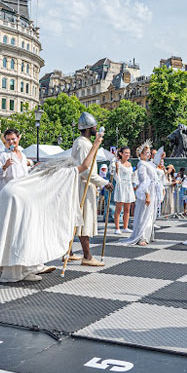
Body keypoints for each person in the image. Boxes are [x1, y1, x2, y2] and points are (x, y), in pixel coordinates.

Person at [0, 131, 106, 282]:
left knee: (16, 232)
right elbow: (85, 166)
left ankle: (18, 269)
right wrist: (96, 144)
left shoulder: (46, 169)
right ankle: (16, 273)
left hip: (12, 191)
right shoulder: (65, 172)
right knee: (22, 233)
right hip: (20, 197)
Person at [70, 112, 112, 266]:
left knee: (78, 220)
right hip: (83, 186)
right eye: (94, 126)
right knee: (83, 220)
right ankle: (87, 256)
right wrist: (104, 182)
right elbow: (85, 170)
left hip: (87, 185)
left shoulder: (84, 142)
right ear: (88, 128)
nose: (96, 128)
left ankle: (68, 252)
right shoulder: (82, 144)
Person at [120, 142, 161, 246]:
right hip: (146, 190)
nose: (148, 154)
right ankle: (141, 236)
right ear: (141, 154)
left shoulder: (148, 164)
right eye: (146, 153)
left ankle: (147, 235)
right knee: (143, 214)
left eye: (149, 152)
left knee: (150, 214)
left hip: (152, 189)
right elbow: (143, 180)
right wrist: (147, 194)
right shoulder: (141, 164)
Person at [0, 128, 31, 204]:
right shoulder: (3, 156)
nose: (11, 142)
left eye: (13, 139)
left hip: (21, 193)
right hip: (7, 195)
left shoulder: (23, 155)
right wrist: (5, 166)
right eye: (8, 140)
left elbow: (24, 173)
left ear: (18, 138)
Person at [111, 147, 134, 234]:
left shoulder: (129, 164)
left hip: (128, 186)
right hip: (121, 186)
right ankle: (117, 228)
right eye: (126, 153)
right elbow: (115, 175)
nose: (128, 154)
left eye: (129, 153)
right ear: (121, 153)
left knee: (127, 209)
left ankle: (125, 227)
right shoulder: (118, 163)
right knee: (119, 208)